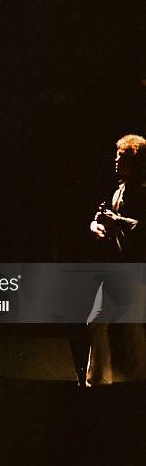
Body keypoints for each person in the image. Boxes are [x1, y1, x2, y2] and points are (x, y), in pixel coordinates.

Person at [88, 134, 146, 386]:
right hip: (119, 268)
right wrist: (95, 224)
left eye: (121, 157)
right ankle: (102, 382)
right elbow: (103, 218)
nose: (115, 160)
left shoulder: (143, 191)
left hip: (134, 268)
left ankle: (108, 381)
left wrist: (117, 221)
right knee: (109, 323)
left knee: (127, 326)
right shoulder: (120, 189)